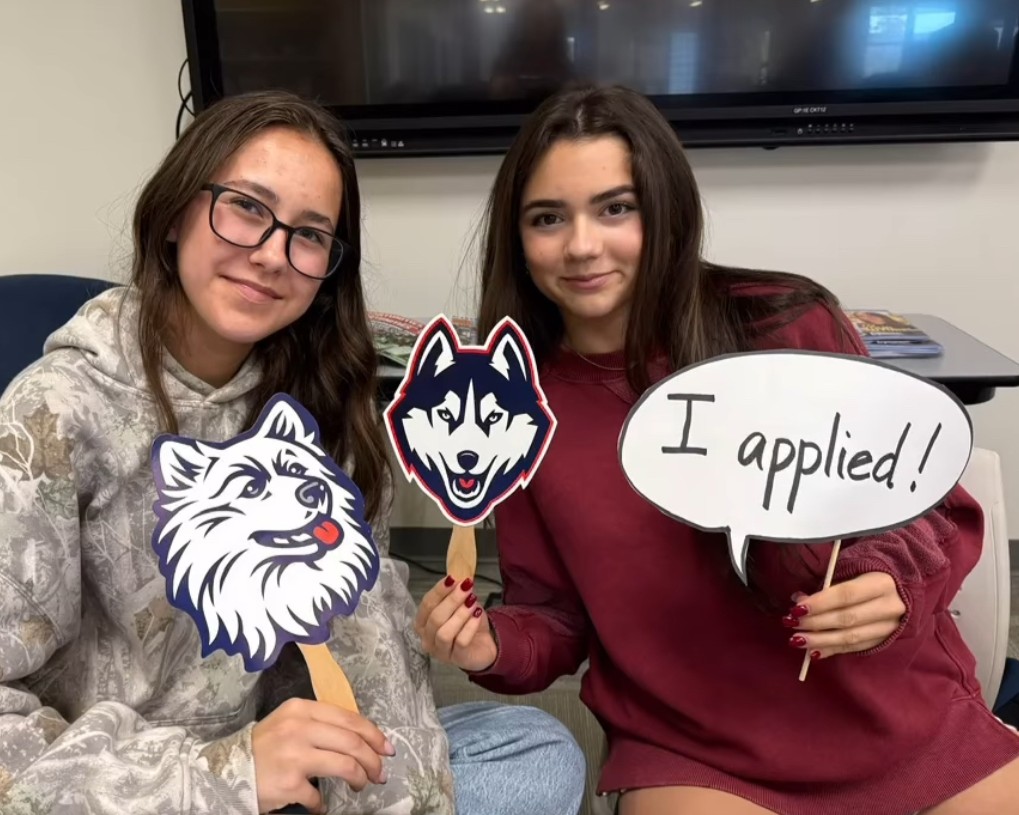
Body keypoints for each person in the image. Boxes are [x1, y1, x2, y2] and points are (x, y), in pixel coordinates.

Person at [416, 84, 1019, 815]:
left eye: (616, 207)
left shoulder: (786, 324)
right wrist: (487, 647)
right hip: (695, 750)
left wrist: (890, 582)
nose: (581, 245)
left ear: (665, 211)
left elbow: (933, 512)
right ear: (517, 237)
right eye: (548, 218)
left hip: (899, 717)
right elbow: (553, 620)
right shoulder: (523, 407)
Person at [0, 90, 584, 815]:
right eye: (247, 206)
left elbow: (367, 652)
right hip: (127, 783)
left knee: (534, 749)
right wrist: (224, 775)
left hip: (288, 762)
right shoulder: (53, 412)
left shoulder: (323, 403)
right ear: (178, 212)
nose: (273, 254)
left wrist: (393, 795)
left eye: (309, 235)